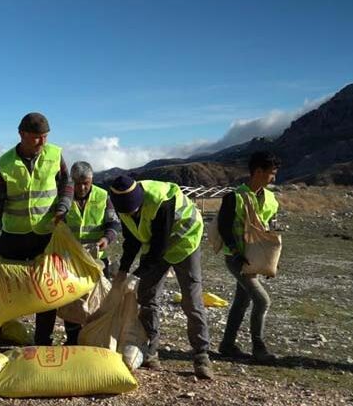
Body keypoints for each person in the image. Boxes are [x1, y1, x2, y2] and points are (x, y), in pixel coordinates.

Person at [0, 112, 73, 350]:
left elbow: (67, 185)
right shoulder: (5, 162)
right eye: (36, 137)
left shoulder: (55, 154)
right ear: (22, 134)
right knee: (0, 285)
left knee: (48, 287)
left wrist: (63, 206)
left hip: (45, 234)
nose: (42, 142)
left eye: (45, 136)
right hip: (14, 235)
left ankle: (42, 342)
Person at [109, 175, 213, 379]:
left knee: (191, 301)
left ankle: (201, 355)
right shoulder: (122, 206)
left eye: (134, 210)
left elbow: (159, 248)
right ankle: (150, 351)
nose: (132, 214)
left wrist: (135, 276)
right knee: (147, 297)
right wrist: (123, 271)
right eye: (127, 212)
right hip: (157, 245)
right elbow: (132, 240)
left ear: (140, 200)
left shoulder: (161, 201)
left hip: (185, 241)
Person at [217, 151, 281, 363]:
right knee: (262, 300)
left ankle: (227, 345)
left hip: (256, 257)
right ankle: (259, 347)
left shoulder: (271, 199)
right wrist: (236, 253)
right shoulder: (234, 197)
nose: (274, 178)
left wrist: (268, 262)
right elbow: (224, 228)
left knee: (241, 302)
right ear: (258, 172)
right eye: (271, 173)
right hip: (238, 259)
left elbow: (269, 229)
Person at [62, 161, 120, 344]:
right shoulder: (64, 198)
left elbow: (113, 224)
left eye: (85, 182)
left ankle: (93, 337)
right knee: (71, 302)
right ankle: (72, 339)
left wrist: (106, 239)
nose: (81, 187)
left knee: (98, 302)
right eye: (77, 183)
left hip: (97, 261)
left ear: (92, 180)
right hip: (70, 260)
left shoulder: (103, 196)